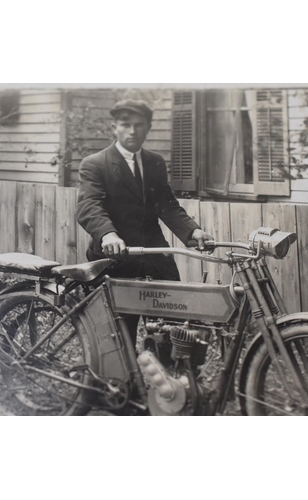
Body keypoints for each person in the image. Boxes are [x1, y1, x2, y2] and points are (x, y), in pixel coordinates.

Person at [76, 99, 213, 341]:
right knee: (117, 338)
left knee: (173, 329)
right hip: (114, 259)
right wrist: (108, 233)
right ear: (114, 127)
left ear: (148, 127)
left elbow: (166, 205)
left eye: (139, 125)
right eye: (125, 124)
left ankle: (170, 374)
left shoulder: (155, 162)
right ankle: (111, 379)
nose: (132, 130)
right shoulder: (95, 164)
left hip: (155, 257)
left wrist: (192, 232)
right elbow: (89, 205)